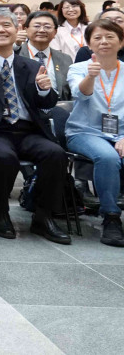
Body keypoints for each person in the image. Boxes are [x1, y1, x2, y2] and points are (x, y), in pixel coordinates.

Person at [0, 7, 69, 244]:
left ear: (17, 29)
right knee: (3, 157)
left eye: (6, 25)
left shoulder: (29, 65)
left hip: (28, 130)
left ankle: (43, 216)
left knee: (55, 154)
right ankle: (1, 212)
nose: (1, 30)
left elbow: (47, 102)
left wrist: (44, 88)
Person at [65, 18, 124, 246]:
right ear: (89, 44)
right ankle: (110, 216)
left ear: (120, 42)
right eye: (97, 38)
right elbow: (81, 95)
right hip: (85, 131)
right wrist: (91, 75)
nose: (104, 42)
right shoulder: (78, 68)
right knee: (108, 157)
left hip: (120, 133)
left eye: (110, 37)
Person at [17, 11, 72, 100]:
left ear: (55, 32)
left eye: (47, 27)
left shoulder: (65, 59)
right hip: (27, 109)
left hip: (59, 108)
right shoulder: (16, 55)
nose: (42, 30)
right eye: (37, 26)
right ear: (26, 29)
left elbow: (70, 92)